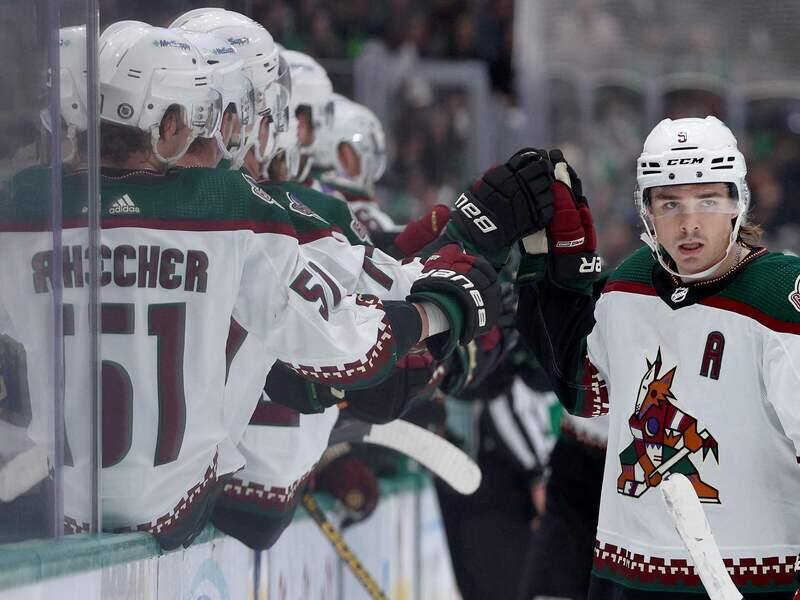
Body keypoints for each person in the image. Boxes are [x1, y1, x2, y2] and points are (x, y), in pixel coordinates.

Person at [516, 116, 800, 598]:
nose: (689, 223)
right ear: (646, 209)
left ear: (737, 201)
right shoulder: (629, 285)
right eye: (670, 203)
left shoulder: (781, 297)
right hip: (626, 578)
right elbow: (585, 393)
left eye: (708, 200)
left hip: (756, 584)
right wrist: (551, 277)